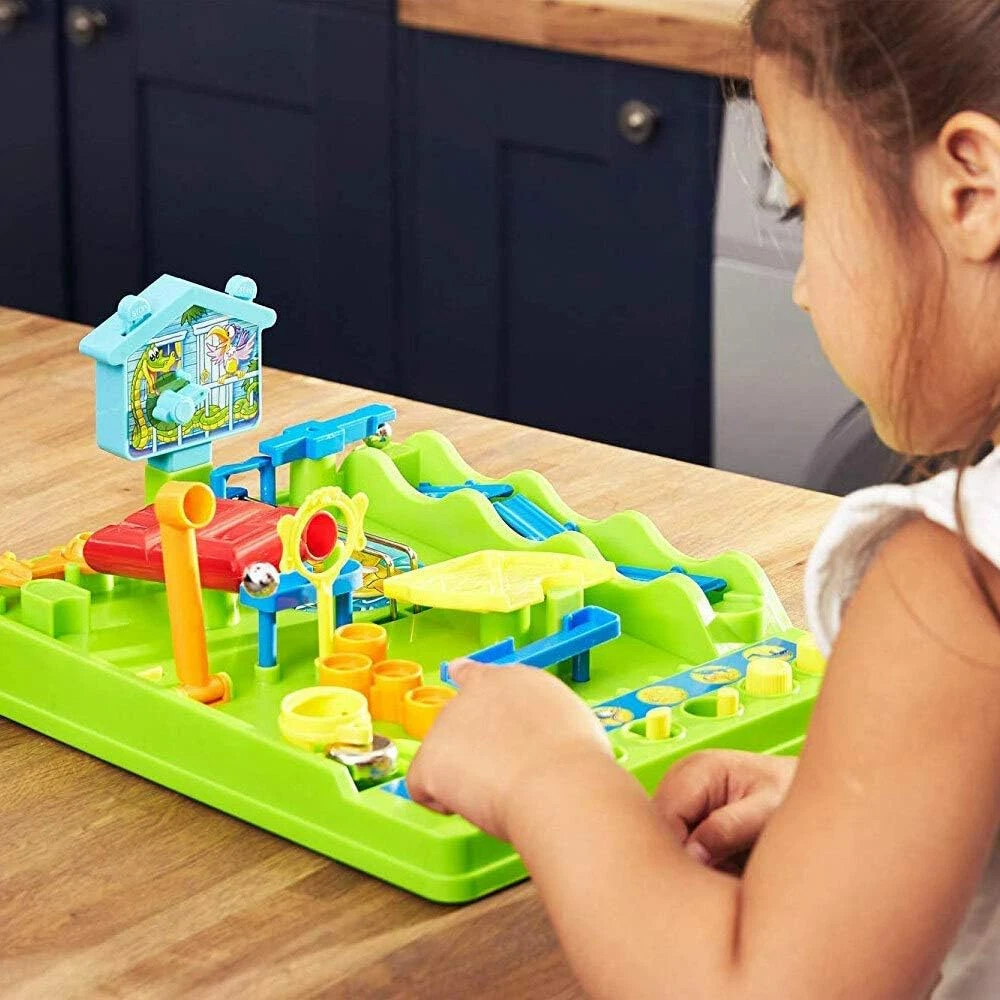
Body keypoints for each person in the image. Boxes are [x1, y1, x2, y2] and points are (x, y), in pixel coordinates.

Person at [407, 2, 1000, 995]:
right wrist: (866, 827)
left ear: (971, 191)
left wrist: (549, 776)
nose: (803, 287)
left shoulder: (955, 580)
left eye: (804, 206)